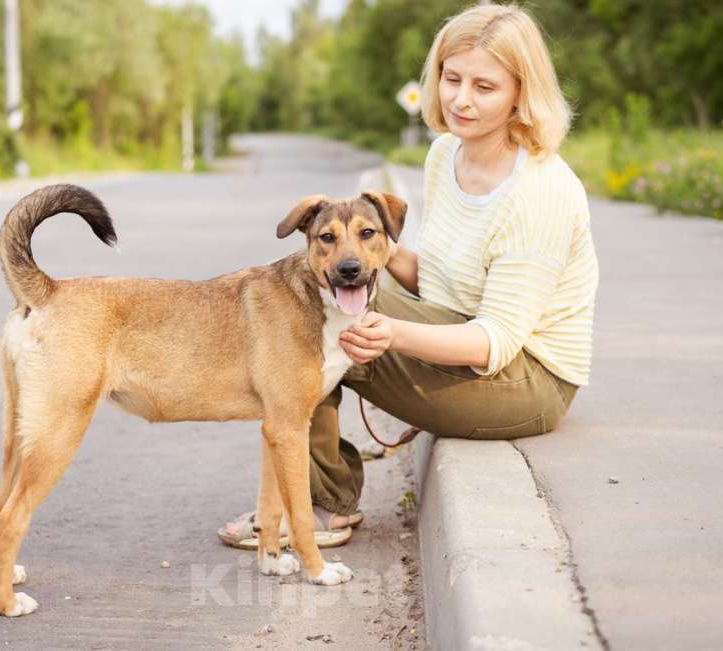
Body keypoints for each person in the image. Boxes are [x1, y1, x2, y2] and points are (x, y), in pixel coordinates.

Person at [219, 2, 599, 549]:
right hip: (461, 333)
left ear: (523, 91)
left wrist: (390, 332)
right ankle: (317, 495)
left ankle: (321, 504)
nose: (461, 99)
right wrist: (378, 254)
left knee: (317, 327)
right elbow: (445, 285)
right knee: (312, 297)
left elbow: (495, 341)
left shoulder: (540, 191)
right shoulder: (447, 153)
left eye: (485, 87)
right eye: (451, 78)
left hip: (529, 380)